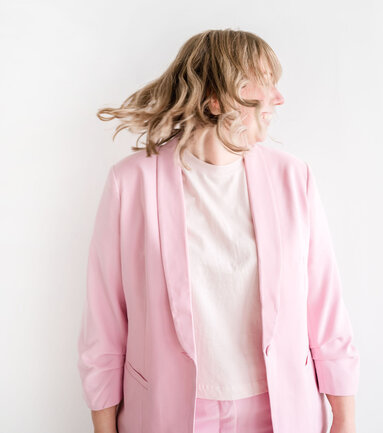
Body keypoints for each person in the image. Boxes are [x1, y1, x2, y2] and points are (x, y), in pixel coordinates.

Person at [77, 28, 360, 433]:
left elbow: (325, 305)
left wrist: (345, 417)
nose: (278, 98)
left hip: (281, 407)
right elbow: (104, 318)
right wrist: (103, 427)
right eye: (261, 85)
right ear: (214, 100)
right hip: (168, 410)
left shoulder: (293, 178)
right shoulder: (131, 184)